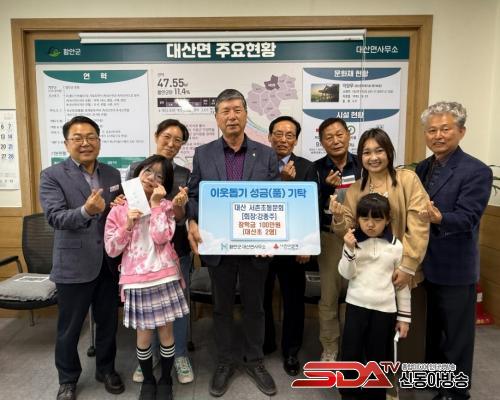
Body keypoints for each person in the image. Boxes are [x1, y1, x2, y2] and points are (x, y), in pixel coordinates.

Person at [186, 89, 279, 397]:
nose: (232, 116)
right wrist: (192, 220)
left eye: (237, 110)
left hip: (255, 246)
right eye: (225, 111)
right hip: (218, 245)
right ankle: (225, 361)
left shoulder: (266, 154)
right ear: (216, 117)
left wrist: (271, 238)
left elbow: (275, 199)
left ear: (246, 114)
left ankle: (255, 360)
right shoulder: (203, 153)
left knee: (255, 307)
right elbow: (195, 194)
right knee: (222, 308)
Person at [39, 116, 124, 400]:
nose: (85, 143)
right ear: (67, 144)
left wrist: (120, 206)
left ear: (99, 141)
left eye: (91, 137)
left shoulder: (112, 174)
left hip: (108, 263)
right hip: (73, 264)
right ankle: (68, 379)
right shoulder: (52, 175)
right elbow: (55, 217)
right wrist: (86, 211)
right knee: (69, 328)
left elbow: (115, 214)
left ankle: (106, 369)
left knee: (108, 323)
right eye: (77, 138)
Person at [416, 101, 492, 400]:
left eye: (445, 129)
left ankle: (456, 392)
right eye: (431, 130)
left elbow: (469, 217)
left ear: (461, 131)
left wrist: (440, 218)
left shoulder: (476, 170)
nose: (438, 135)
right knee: (431, 329)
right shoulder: (423, 167)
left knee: (457, 335)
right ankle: (435, 379)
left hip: (455, 266)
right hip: (425, 263)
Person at [105, 154, 190, 400]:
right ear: (138, 173)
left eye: (160, 176)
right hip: (136, 280)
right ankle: (149, 381)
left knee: (166, 334)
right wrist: (127, 225)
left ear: (165, 183)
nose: (152, 178)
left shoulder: (166, 207)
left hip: (164, 276)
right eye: (148, 171)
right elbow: (111, 249)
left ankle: (166, 379)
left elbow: (162, 238)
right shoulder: (119, 209)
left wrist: (155, 205)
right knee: (143, 336)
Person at [126, 119, 194, 384]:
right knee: (148, 310)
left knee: (177, 308)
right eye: (167, 136)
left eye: (178, 140)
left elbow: (182, 217)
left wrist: (178, 207)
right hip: (141, 255)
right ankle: (151, 356)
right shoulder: (137, 168)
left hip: (174, 250)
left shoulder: (185, 174)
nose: (171, 143)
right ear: (156, 136)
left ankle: (180, 355)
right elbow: (128, 207)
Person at [339, 193, 410, 400]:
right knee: (350, 354)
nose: (370, 224)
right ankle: (348, 395)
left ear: (387, 220)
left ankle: (376, 395)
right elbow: (346, 274)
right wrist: (349, 249)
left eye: (377, 219)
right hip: (356, 306)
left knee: (378, 357)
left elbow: (402, 285)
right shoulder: (352, 241)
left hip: (384, 311)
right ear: (358, 219)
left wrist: (404, 318)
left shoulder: (396, 246)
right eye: (365, 218)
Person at [262, 116, 318, 376]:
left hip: (294, 246)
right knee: (261, 298)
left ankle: (291, 351)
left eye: (289, 135)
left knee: (293, 300)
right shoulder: (258, 164)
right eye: (278, 134)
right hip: (262, 243)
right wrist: (280, 182)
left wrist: (306, 244)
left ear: (295, 140)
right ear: (269, 136)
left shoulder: (307, 167)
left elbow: (310, 207)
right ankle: (265, 343)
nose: (283, 139)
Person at [314, 117, 361, 362]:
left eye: (340, 134)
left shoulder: (363, 164)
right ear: (322, 142)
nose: (335, 140)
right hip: (330, 238)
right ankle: (330, 348)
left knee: (360, 295)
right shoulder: (315, 168)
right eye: (329, 137)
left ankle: (355, 347)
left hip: (361, 238)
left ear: (348, 135)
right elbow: (309, 204)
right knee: (329, 297)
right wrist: (325, 188)